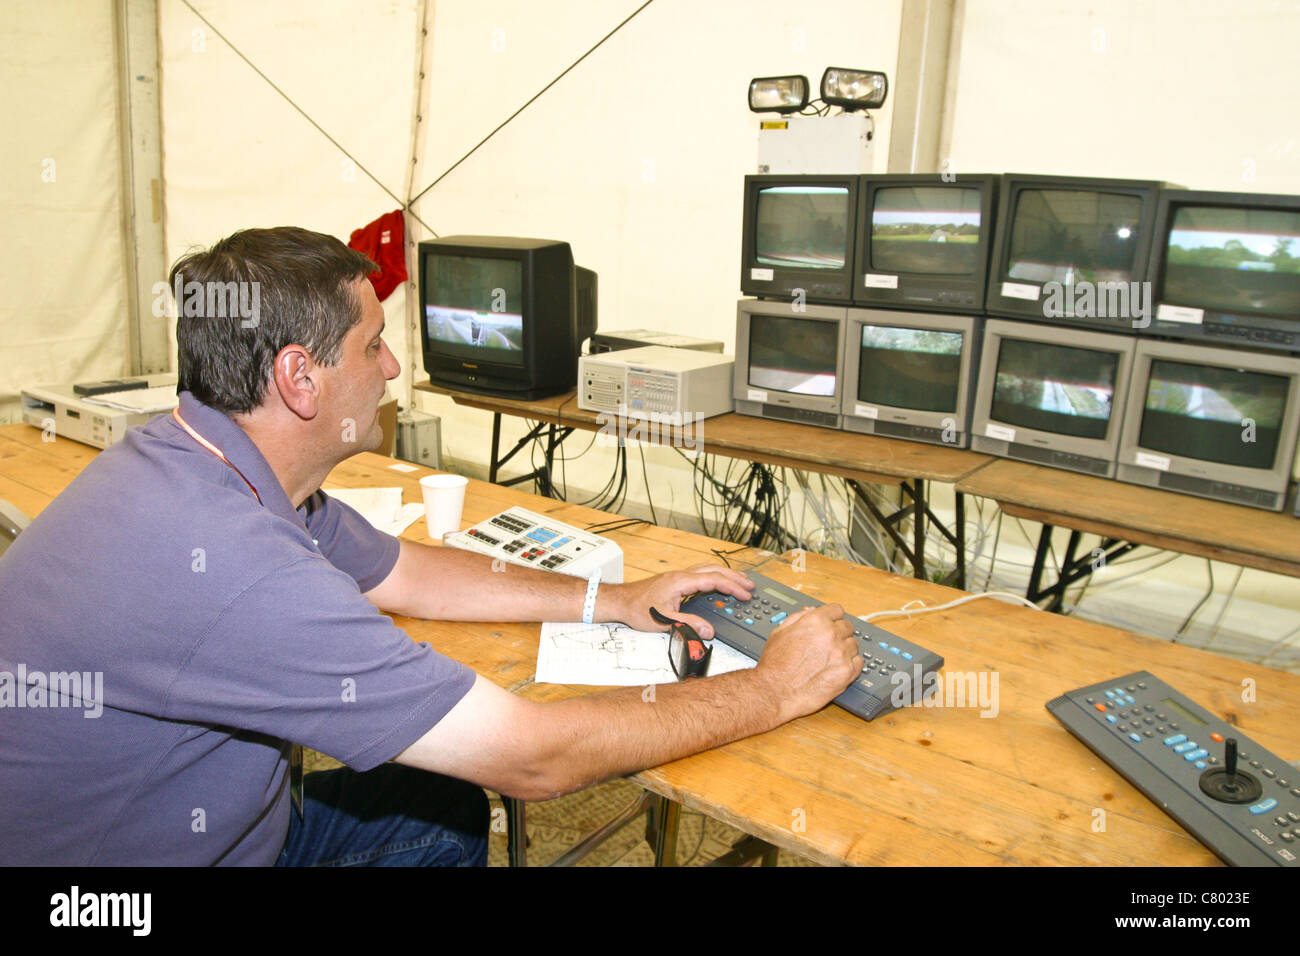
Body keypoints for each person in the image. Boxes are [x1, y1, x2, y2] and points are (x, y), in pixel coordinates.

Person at [0, 226, 861, 866]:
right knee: (472, 773)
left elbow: (407, 570)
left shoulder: (199, 458)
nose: (394, 368)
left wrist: (613, 599)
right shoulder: (235, 567)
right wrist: (773, 687)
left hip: (214, 833)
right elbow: (535, 756)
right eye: (372, 344)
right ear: (301, 380)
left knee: (435, 791)